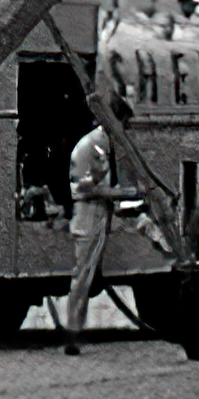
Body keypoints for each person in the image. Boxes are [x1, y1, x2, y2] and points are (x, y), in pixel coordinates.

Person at [58, 76, 130, 347]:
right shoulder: (92, 146)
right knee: (82, 275)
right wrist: (119, 193)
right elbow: (84, 187)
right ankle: (73, 331)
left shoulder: (102, 144)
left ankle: (76, 328)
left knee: (85, 275)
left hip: (98, 213)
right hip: (89, 214)